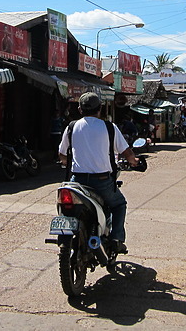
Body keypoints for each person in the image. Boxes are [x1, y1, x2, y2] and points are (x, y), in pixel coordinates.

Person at [58, 92, 138, 254]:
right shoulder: (109, 127)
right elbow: (127, 152)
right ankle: (116, 239)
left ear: (80, 109)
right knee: (119, 204)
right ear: (100, 109)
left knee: (66, 206)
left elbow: (62, 154)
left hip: (77, 181)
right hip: (102, 181)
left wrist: (65, 162)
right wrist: (134, 162)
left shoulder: (71, 127)